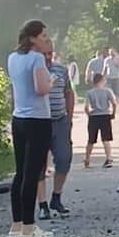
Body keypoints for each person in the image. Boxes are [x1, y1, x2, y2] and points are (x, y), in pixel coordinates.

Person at [6, 20, 55, 237]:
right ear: (33, 38)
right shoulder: (37, 59)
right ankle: (29, 226)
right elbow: (41, 88)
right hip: (38, 119)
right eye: (43, 36)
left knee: (20, 171)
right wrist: (52, 81)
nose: (46, 39)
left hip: (19, 118)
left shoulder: (13, 58)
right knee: (33, 173)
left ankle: (16, 224)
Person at [35, 41, 75, 220]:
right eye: (44, 54)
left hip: (60, 120)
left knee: (64, 159)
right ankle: (42, 204)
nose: (47, 57)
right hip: (39, 121)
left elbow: (69, 92)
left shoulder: (60, 69)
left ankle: (56, 197)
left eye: (50, 53)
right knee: (39, 165)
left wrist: (70, 116)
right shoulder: (33, 70)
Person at [84, 73, 118, 169]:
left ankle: (87, 159)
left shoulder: (89, 93)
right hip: (105, 116)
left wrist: (88, 114)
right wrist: (113, 114)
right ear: (101, 81)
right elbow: (114, 103)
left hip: (94, 116)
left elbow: (86, 107)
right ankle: (108, 158)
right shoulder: (107, 91)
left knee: (91, 140)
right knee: (106, 139)